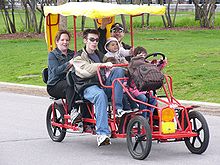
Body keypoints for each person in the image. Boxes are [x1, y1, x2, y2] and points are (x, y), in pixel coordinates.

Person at [72, 29, 129, 146]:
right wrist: (102, 65)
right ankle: (102, 134)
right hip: (87, 87)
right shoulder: (78, 56)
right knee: (100, 95)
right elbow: (85, 71)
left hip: (103, 85)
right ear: (85, 40)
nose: (94, 42)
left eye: (96, 40)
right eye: (92, 40)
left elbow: (111, 63)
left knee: (118, 70)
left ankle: (118, 109)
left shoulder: (99, 55)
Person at [46, 30, 80, 123]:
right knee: (70, 85)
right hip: (54, 85)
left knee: (82, 87)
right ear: (57, 41)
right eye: (62, 40)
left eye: (67, 40)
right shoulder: (52, 55)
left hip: (70, 81)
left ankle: (86, 117)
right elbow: (56, 71)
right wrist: (69, 63)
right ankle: (72, 111)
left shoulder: (72, 53)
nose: (65, 42)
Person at [127, 46, 157, 119]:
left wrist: (161, 63)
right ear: (135, 55)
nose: (142, 57)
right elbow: (140, 66)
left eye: (144, 55)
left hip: (144, 88)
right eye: (140, 55)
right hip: (135, 89)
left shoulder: (146, 63)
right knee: (143, 99)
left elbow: (155, 70)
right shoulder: (134, 62)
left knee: (154, 99)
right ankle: (142, 117)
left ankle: (148, 115)